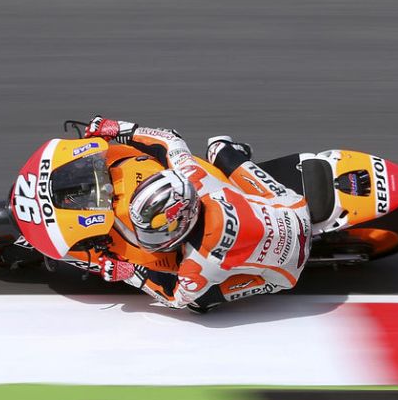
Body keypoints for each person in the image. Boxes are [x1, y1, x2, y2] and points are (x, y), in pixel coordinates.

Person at [83, 115, 312, 313]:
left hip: (286, 273)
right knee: (217, 147)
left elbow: (175, 299)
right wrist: (120, 128)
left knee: (198, 304)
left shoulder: (195, 265)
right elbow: (170, 138)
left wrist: (130, 272)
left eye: (156, 233)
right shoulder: (194, 176)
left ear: (184, 221)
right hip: (293, 208)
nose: (149, 239)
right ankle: (236, 158)